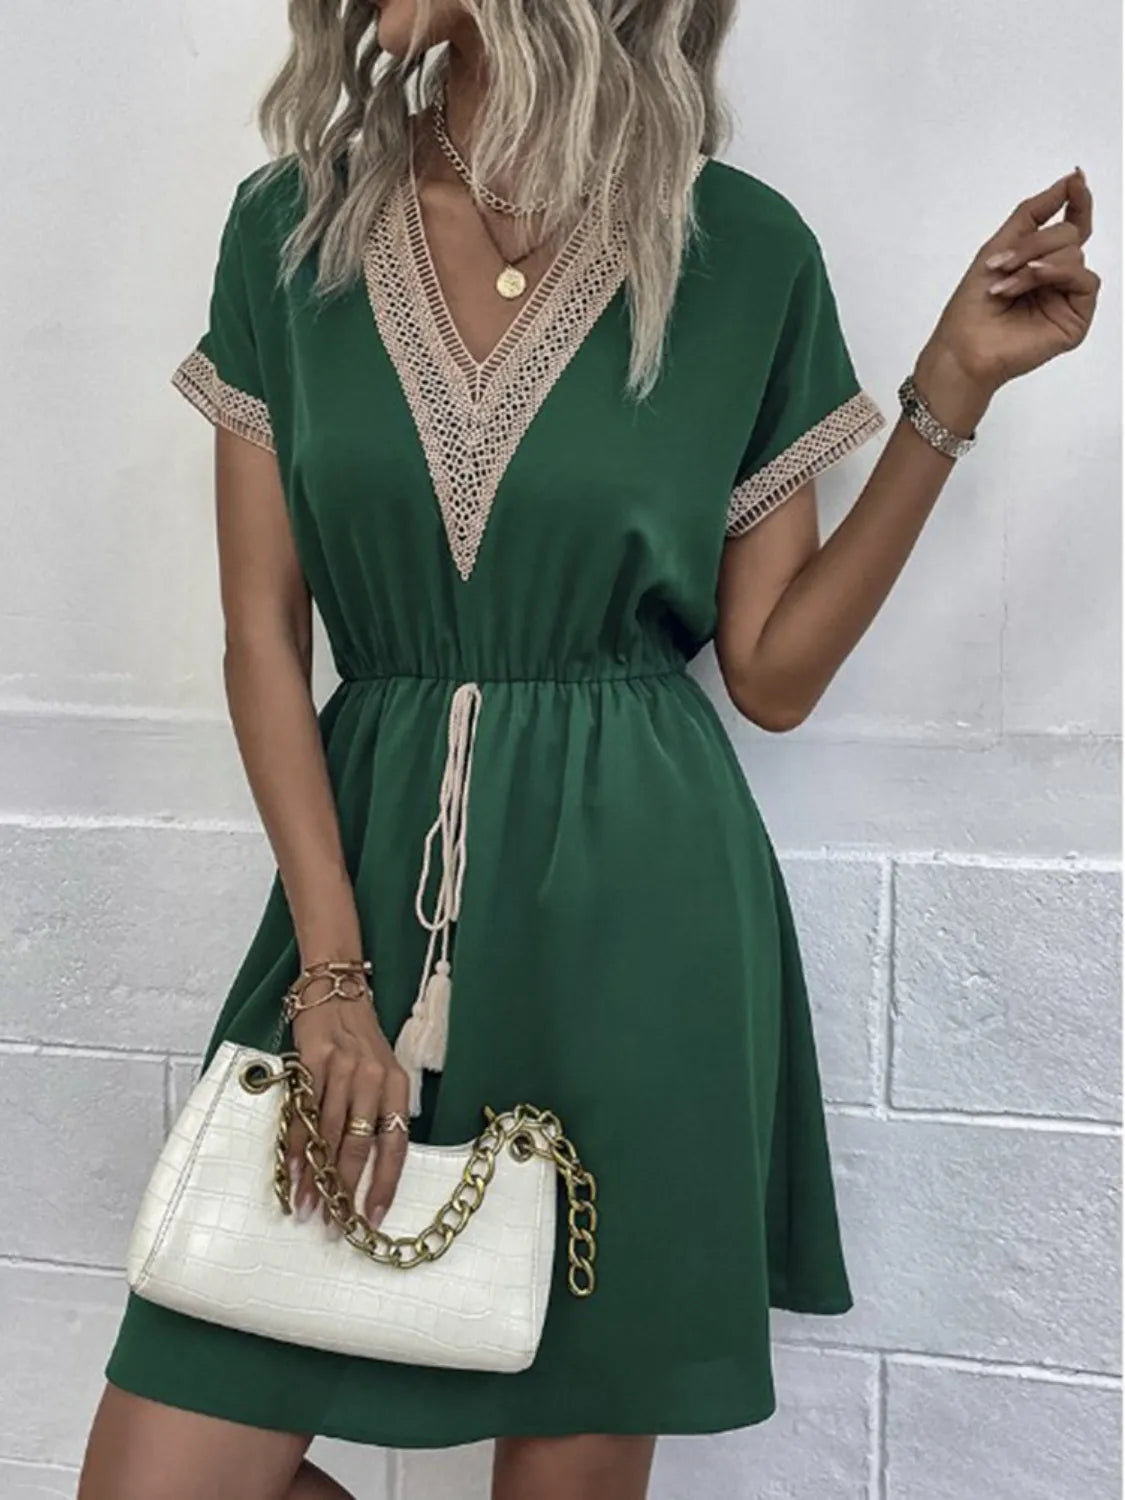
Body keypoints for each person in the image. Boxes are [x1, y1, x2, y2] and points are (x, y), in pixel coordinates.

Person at [77, 0, 1100, 1494]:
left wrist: (947, 390)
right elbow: (260, 638)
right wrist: (331, 975)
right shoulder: (293, 232)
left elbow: (772, 674)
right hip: (359, 886)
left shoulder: (742, 251)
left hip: (639, 930)